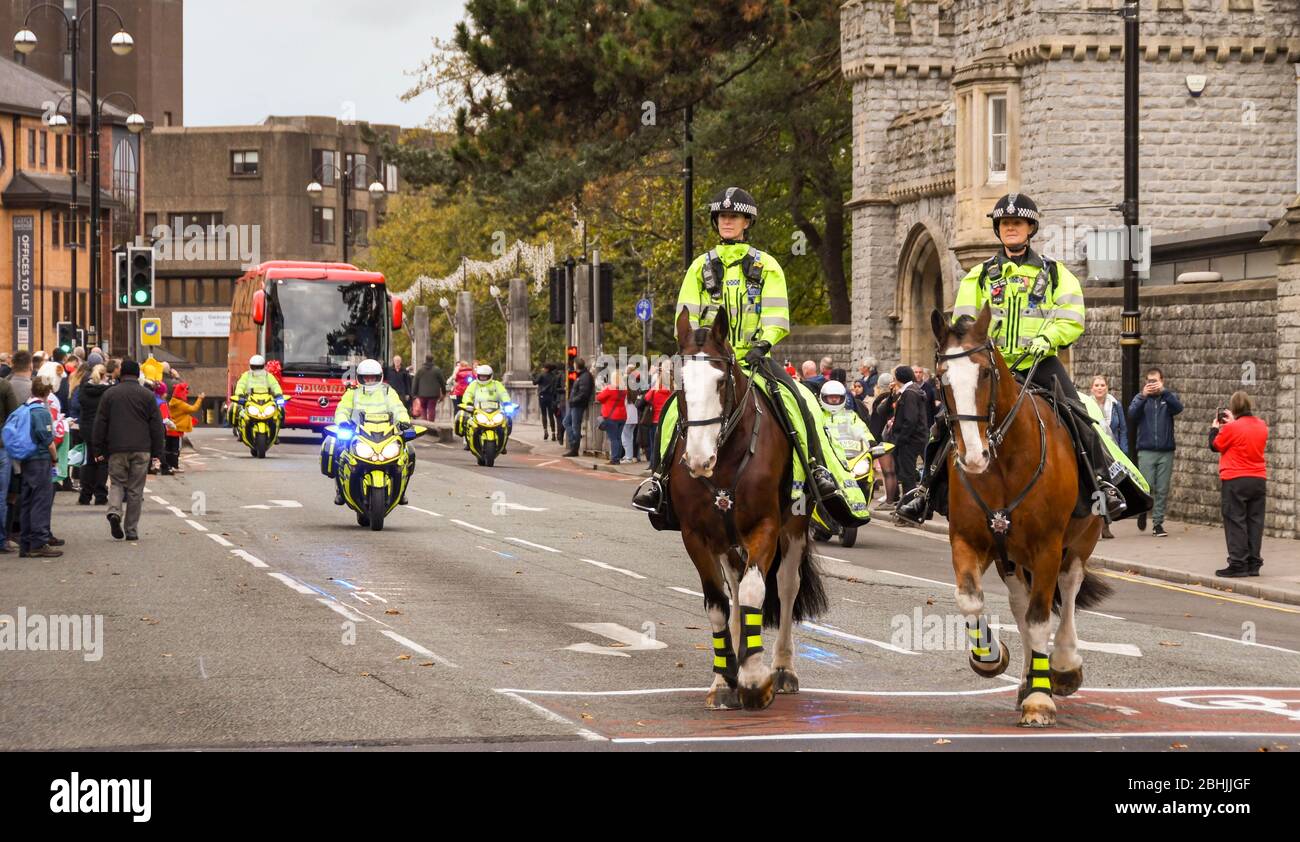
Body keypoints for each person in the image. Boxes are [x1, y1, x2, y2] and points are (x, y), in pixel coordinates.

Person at [896, 192, 1149, 525]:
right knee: (946, 418)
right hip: (991, 366)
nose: (1010, 228)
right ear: (998, 230)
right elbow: (965, 324)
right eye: (1004, 223)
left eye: (1017, 223)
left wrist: (1048, 339)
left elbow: (1072, 317)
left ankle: (1103, 483)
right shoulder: (979, 276)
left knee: (1077, 414)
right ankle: (924, 489)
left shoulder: (1057, 274)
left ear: (1030, 227)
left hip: (1039, 362)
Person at [633, 185, 867, 528]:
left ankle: (818, 471)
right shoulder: (700, 268)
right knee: (671, 410)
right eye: (722, 216)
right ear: (716, 222)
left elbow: (777, 316)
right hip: (710, 361)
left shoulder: (767, 266)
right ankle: (658, 479)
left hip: (755, 359)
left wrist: (763, 344)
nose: (727, 222)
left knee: (800, 403)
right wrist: (701, 350)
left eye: (734, 216)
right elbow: (687, 316)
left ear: (747, 222)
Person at [93, 359, 164, 541]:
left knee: (116, 483)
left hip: (116, 447)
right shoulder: (147, 395)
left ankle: (115, 511)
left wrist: (98, 448)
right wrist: (157, 451)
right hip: (142, 448)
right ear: (138, 374)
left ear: (121, 373)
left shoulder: (110, 394)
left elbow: (100, 422)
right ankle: (131, 530)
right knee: (135, 490)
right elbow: (156, 425)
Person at [334, 358, 413, 504]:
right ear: (360, 377)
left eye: (373, 377)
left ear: (379, 377)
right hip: (359, 433)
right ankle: (340, 490)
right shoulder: (353, 393)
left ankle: (401, 492)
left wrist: (404, 422)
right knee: (337, 449)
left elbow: (398, 408)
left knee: (409, 452)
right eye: (366, 377)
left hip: (385, 433)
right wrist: (343, 422)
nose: (369, 380)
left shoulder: (388, 392)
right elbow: (342, 409)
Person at [1209, 391, 1268, 578]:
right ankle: (1253, 563)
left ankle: (1237, 563)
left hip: (1235, 479)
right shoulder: (1262, 425)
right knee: (1254, 521)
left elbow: (1215, 445)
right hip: (1258, 479)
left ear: (1233, 408)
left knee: (1236, 520)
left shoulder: (1230, 429)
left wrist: (1214, 428)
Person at [1128, 367, 1181, 537]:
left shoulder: (1168, 397)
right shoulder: (1141, 398)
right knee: (1147, 486)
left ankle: (1158, 523)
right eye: (1149, 381)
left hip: (1166, 450)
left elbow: (1178, 408)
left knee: (1163, 489)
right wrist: (1143, 396)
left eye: (1155, 381)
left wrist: (1164, 392)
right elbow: (1132, 414)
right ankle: (1144, 511)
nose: (1152, 384)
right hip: (1146, 450)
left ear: (1162, 380)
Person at [14, 378, 61, 557]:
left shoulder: (24, 408)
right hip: (40, 459)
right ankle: (39, 542)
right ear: (47, 392)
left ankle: (25, 542)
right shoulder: (41, 411)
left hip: (26, 458)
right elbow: (47, 440)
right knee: (41, 500)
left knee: (27, 499)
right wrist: (54, 458)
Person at [885, 366, 928, 503]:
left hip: (909, 440)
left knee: (907, 475)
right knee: (908, 473)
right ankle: (908, 504)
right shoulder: (911, 390)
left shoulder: (909, 393)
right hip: (916, 438)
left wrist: (900, 439)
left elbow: (910, 420)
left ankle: (909, 507)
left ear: (899, 378)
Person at [72, 364, 111, 505]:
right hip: (102, 430)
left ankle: (85, 495)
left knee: (88, 462)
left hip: (87, 429)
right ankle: (100, 495)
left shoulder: (84, 389)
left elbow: (77, 405)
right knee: (102, 462)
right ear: (103, 375)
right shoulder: (108, 391)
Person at [230, 354, 284, 426]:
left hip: (267, 400)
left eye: (259, 367)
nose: (257, 369)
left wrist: (278, 394)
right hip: (249, 399)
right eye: (254, 367)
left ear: (263, 366)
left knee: (281, 409)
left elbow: (275, 385)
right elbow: (240, 385)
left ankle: (278, 426)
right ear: (250, 366)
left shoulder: (268, 376)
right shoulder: (246, 375)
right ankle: (237, 426)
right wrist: (240, 395)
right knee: (235, 407)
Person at [166, 382, 204, 474]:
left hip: (169, 429)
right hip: (177, 430)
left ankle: (168, 465)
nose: (186, 393)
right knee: (176, 449)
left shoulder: (172, 401)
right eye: (185, 391)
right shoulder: (180, 404)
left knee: (168, 449)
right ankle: (174, 466)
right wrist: (200, 398)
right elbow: (193, 408)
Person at [563, 357, 595, 457]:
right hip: (574, 404)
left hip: (578, 405)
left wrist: (573, 400)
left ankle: (574, 447)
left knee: (575, 427)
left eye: (574, 364)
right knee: (566, 422)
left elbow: (583, 393)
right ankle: (574, 441)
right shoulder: (581, 376)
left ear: (576, 365)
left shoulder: (585, 377)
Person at [0, 371, 17, 552]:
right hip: (1, 445)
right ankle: (1, 539)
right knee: (1, 495)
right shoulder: (4, 385)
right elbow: (13, 415)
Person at [596, 371, 628, 465]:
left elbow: (599, 398)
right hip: (622, 416)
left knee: (613, 438)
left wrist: (604, 388)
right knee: (618, 438)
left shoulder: (610, 389)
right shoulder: (624, 389)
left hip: (611, 416)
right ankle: (617, 457)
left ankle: (614, 459)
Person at [412, 355, 445, 423]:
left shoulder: (420, 370)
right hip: (434, 394)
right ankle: (431, 424)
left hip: (422, 394)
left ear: (425, 360)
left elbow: (415, 382)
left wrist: (414, 393)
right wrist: (444, 392)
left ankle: (425, 424)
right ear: (432, 360)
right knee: (431, 409)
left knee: (423, 409)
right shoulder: (437, 370)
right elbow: (442, 382)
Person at [535, 363, 562, 441]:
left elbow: (535, 382)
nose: (543, 369)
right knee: (551, 415)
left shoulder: (542, 375)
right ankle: (553, 433)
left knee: (544, 414)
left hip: (542, 397)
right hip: (551, 397)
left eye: (544, 368)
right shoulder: (554, 376)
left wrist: (533, 377)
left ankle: (545, 431)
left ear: (546, 368)